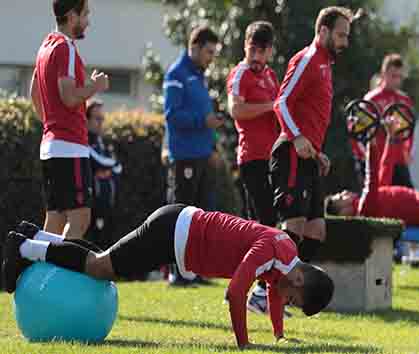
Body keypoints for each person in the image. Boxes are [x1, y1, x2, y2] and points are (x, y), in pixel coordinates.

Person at [1, 205, 334, 349]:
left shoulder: (287, 254)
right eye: (294, 300)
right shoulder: (271, 251)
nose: (283, 300)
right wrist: (244, 344)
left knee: (104, 260)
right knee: (99, 267)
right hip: (172, 233)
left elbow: (274, 292)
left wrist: (278, 335)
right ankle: (24, 247)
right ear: (300, 281)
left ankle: (37, 238)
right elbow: (235, 294)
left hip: (179, 232)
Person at [271, 7, 351, 267]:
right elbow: (281, 102)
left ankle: (285, 288)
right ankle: (263, 290)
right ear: (323, 31)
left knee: (316, 232)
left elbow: (310, 118)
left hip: (308, 155)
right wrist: (295, 137)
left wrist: (317, 153)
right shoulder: (307, 58)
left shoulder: (325, 63)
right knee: (293, 226)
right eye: (340, 36)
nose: (344, 42)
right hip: (291, 152)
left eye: (346, 36)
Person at [31, 0, 110, 240]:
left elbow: (34, 91)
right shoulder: (65, 47)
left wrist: (51, 125)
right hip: (68, 146)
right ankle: (57, 273)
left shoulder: (46, 46)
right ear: (71, 16)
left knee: (55, 219)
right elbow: (68, 96)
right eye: (85, 14)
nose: (88, 21)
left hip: (52, 145)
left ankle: (40, 274)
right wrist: (95, 86)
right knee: (80, 217)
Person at [226, 21, 281, 314]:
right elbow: (236, 109)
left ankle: (260, 291)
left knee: (268, 224)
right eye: (252, 49)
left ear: (270, 51)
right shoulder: (240, 74)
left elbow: (279, 111)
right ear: (245, 46)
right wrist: (270, 106)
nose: (257, 55)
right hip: (251, 159)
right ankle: (257, 292)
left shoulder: (271, 75)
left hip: (272, 158)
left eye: (262, 50)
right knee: (264, 224)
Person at [163, 26, 223, 286]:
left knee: (200, 216)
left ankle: (195, 270)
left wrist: (212, 148)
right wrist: (204, 120)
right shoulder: (177, 74)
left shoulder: (199, 76)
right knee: (181, 214)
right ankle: (178, 273)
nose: (211, 58)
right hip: (184, 156)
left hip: (201, 155)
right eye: (209, 52)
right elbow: (172, 116)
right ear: (195, 47)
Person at [350, 53, 415, 188]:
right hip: (378, 158)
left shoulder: (405, 100)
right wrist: (364, 156)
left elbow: (409, 129)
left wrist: (408, 151)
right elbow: (357, 130)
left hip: (398, 159)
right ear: (383, 73)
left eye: (399, 76)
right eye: (393, 76)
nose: (397, 80)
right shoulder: (371, 99)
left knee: (407, 197)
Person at [86, 99, 122, 250]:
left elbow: (118, 168)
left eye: (102, 119)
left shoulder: (103, 142)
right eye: (97, 119)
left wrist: (107, 169)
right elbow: (98, 160)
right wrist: (109, 166)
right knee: (91, 244)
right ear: (86, 119)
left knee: (106, 243)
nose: (101, 123)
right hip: (91, 204)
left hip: (108, 202)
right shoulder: (83, 140)